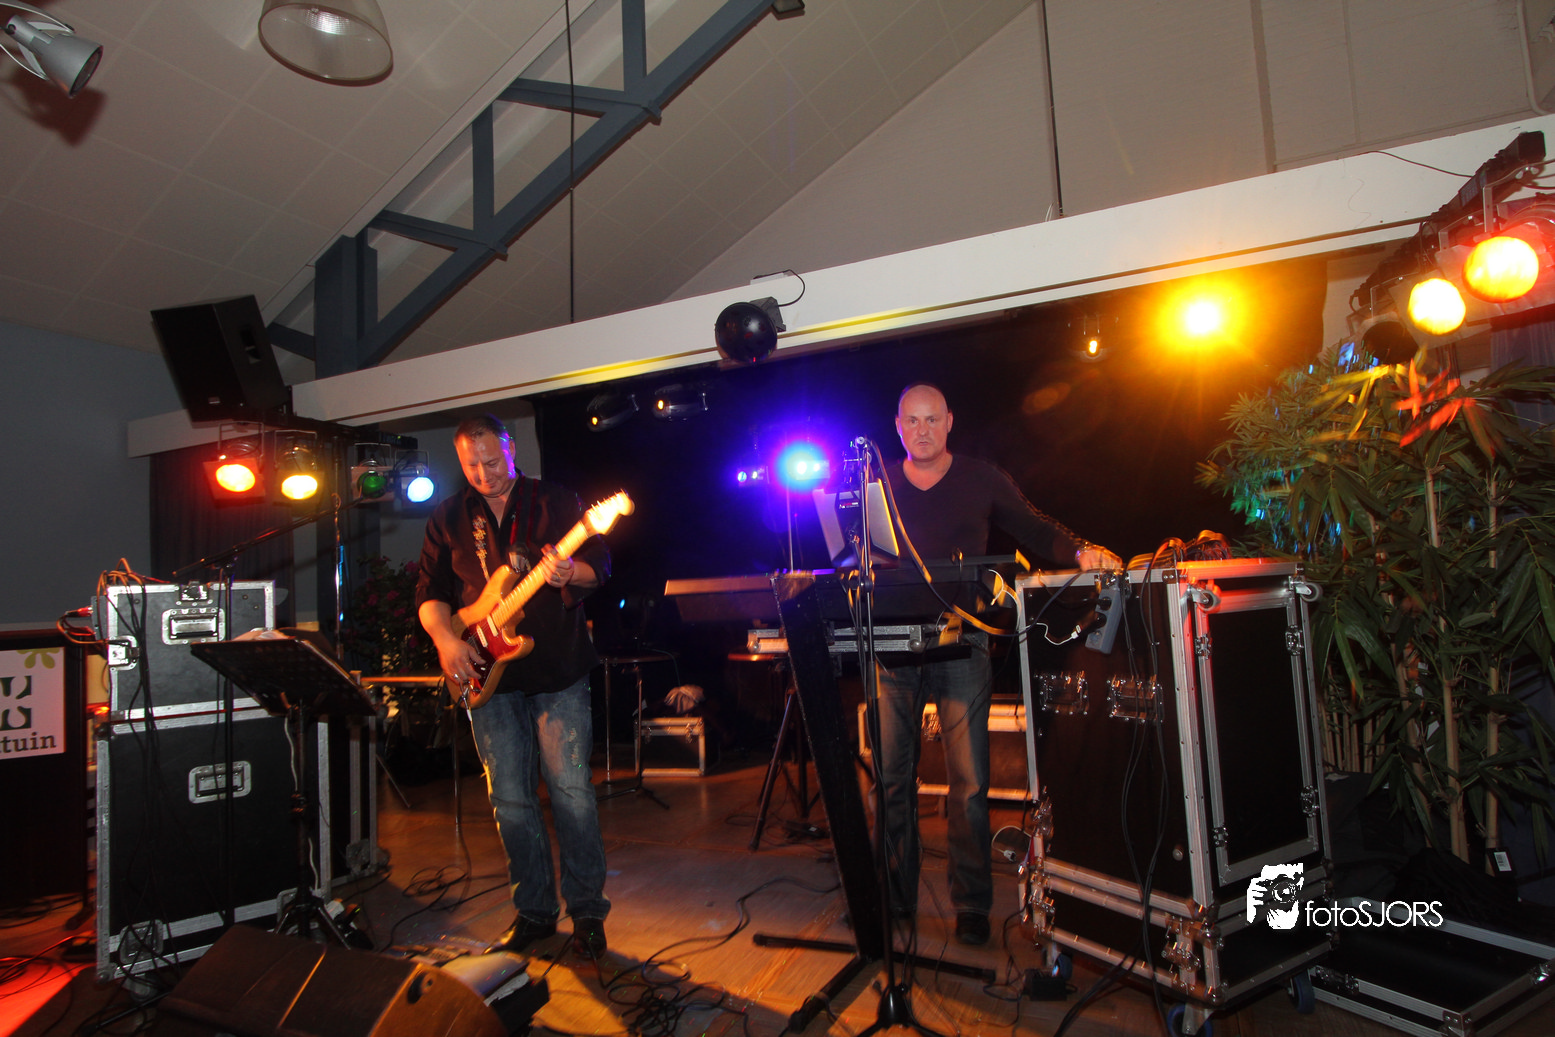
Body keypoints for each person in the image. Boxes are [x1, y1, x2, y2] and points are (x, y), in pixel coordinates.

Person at [877, 383, 1118, 947]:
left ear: (950, 422)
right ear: (898, 426)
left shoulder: (981, 478)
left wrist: (1080, 550)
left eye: (932, 419)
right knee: (891, 781)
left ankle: (971, 906)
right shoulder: (875, 487)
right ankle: (894, 899)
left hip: (964, 646)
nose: (922, 430)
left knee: (968, 785)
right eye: (912, 421)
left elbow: (1034, 526)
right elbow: (849, 553)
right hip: (892, 649)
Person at [415, 414, 612, 958]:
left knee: (571, 792)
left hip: (557, 669)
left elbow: (600, 563)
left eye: (492, 461)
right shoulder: (448, 516)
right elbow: (430, 593)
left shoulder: (556, 501)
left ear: (511, 449)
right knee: (509, 799)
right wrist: (446, 641)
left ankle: (588, 913)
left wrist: (570, 573)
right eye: (472, 466)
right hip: (485, 676)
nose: (484, 474)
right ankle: (534, 912)